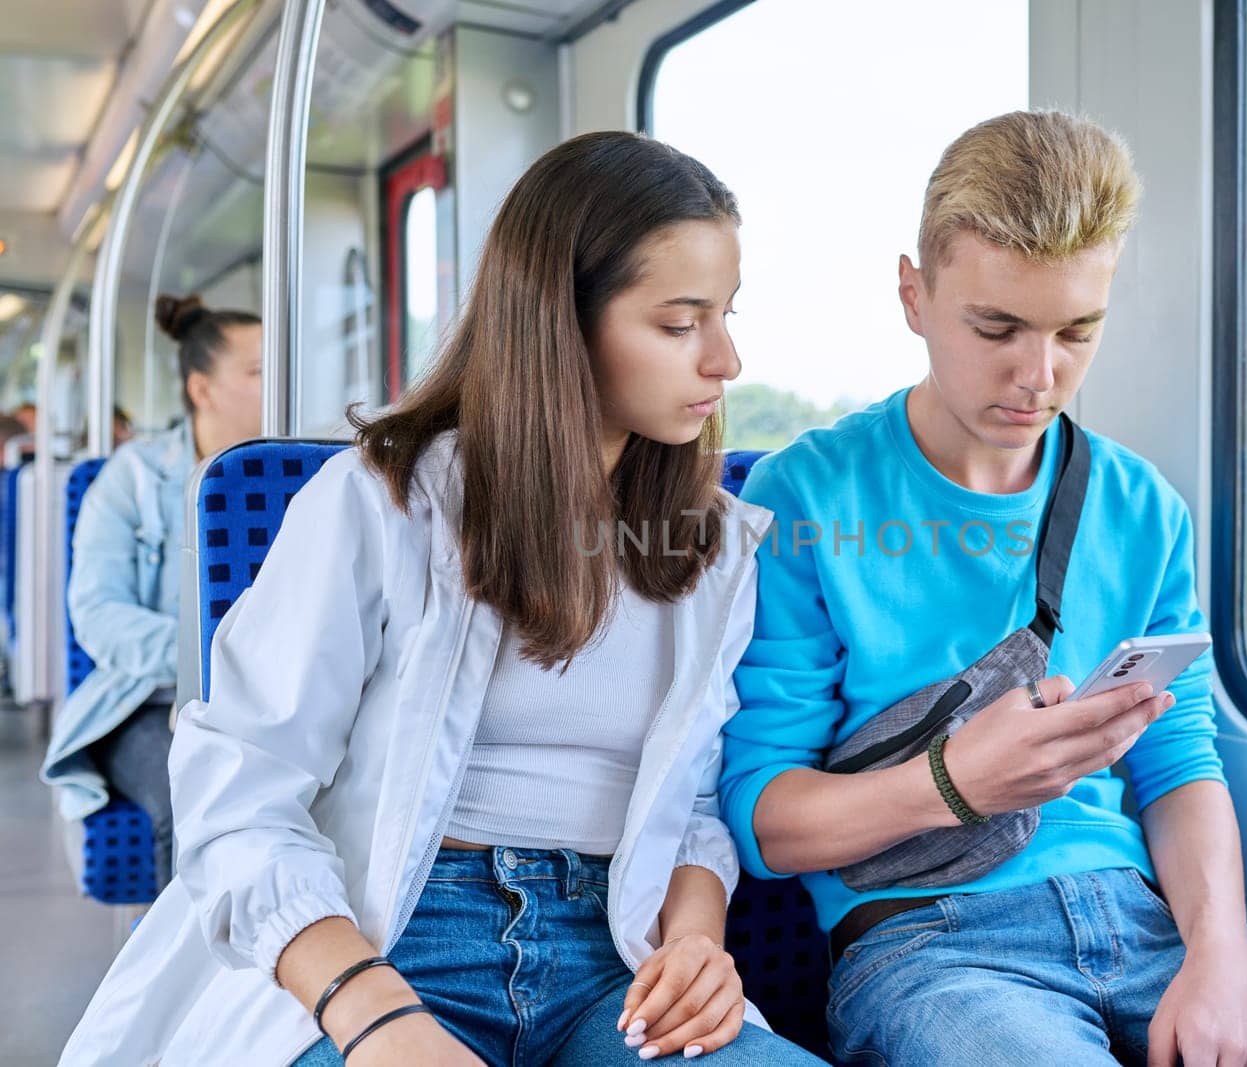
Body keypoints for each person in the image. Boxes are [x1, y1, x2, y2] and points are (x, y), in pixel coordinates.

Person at [719, 110, 1247, 1066]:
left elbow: (1179, 763)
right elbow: (764, 815)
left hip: (1156, 928)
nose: (1039, 375)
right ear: (913, 293)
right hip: (930, 947)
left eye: (1078, 330)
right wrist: (958, 781)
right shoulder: (805, 495)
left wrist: (1221, 958)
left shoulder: (1142, 507)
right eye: (997, 327)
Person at [61, 132, 822, 1067]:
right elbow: (239, 790)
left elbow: (696, 795)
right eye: (679, 323)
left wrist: (697, 941)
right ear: (559, 321)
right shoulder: (382, 501)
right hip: (387, 937)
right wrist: (372, 1012)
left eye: (726, 315)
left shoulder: (716, 539)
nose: (726, 359)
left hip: (614, 956)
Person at [41, 296, 262, 889]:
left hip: (272, 700)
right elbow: (99, 614)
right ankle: (186, 978)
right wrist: (222, 660)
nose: (280, 385)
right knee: (189, 800)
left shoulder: (304, 477)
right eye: (259, 372)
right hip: (149, 702)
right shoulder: (130, 480)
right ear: (203, 389)